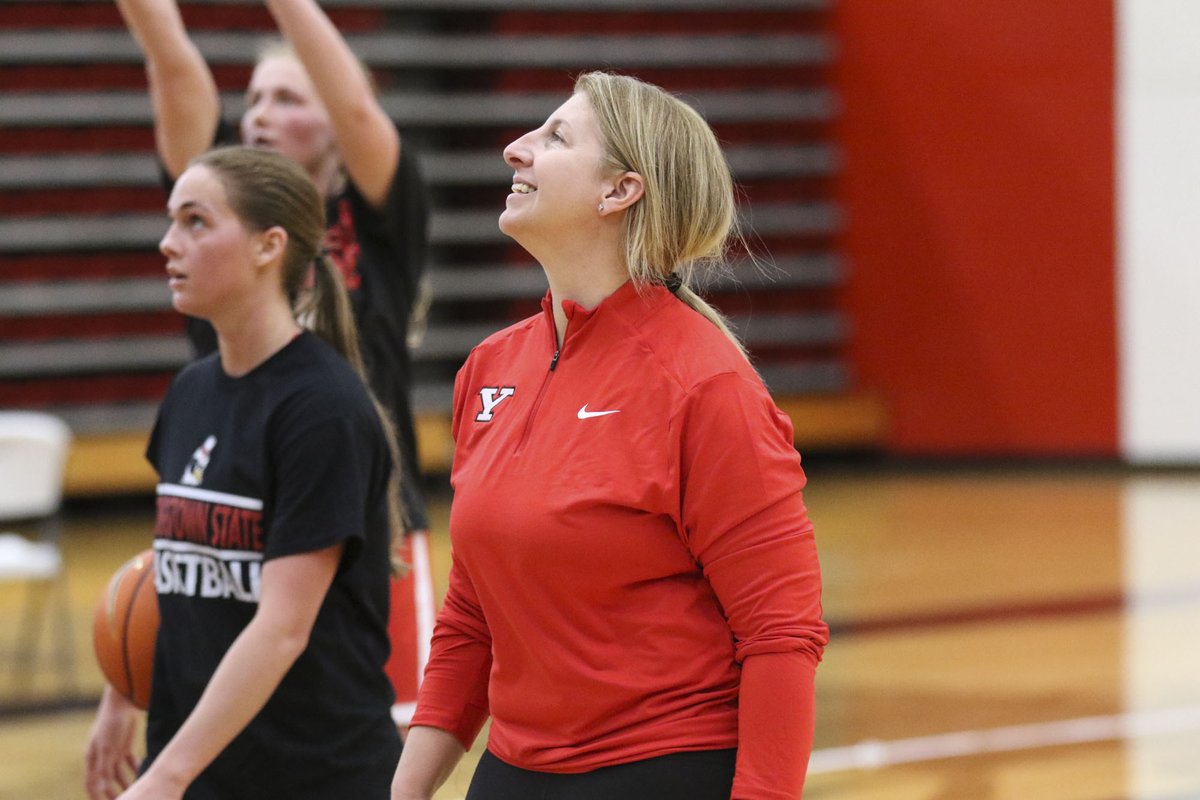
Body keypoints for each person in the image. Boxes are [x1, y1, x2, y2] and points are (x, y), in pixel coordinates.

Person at [390, 71, 829, 800]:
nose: (513, 149)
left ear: (619, 191)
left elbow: (782, 634)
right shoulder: (490, 369)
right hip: (515, 771)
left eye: (555, 136)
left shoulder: (704, 384)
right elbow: (473, 614)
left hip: (664, 767)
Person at [113, 0, 434, 729]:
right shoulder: (219, 217)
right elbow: (172, 63)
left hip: (368, 524)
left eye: (288, 97)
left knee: (371, 743)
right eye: (252, 96)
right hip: (231, 517)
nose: (258, 113)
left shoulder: (378, 216)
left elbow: (353, 102)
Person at [84, 145, 402, 800]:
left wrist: (168, 775)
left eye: (196, 222)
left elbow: (282, 626)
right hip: (205, 765)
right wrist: (122, 692)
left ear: (268, 246)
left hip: (314, 775)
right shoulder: (191, 391)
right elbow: (178, 560)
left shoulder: (323, 411)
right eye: (171, 221)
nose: (169, 243)